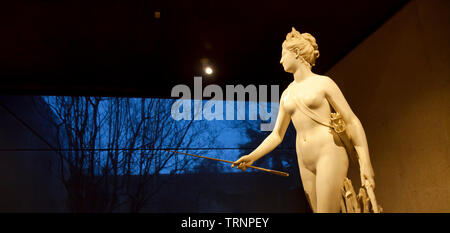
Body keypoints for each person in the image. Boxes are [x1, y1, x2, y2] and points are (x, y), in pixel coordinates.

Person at [232, 27, 375, 213]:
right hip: (304, 158)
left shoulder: (323, 83)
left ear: (296, 53)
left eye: (284, 54)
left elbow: (351, 121)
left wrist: (366, 163)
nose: (281, 60)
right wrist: (252, 156)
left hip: (329, 152)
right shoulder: (286, 94)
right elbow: (277, 134)